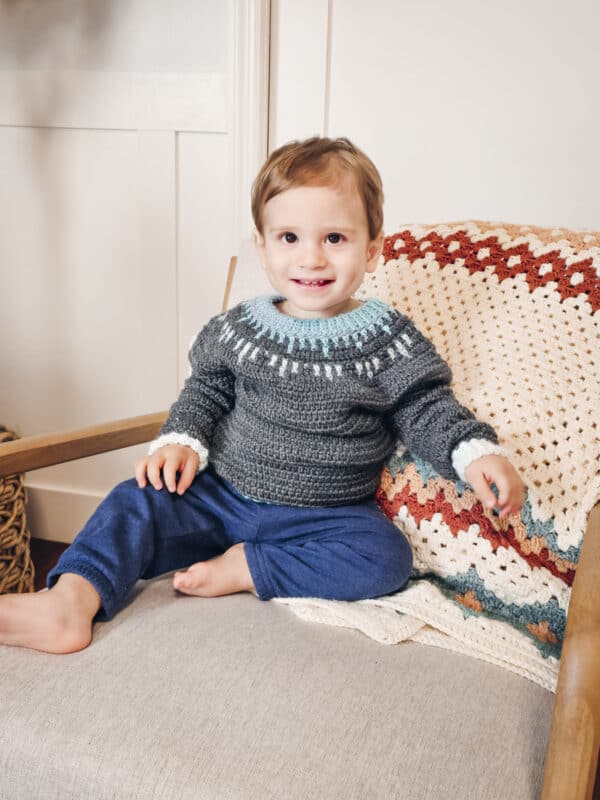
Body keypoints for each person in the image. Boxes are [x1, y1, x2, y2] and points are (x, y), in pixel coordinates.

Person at [0, 136, 525, 654]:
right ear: (263, 246)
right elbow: (204, 389)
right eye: (290, 238)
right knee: (133, 502)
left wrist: (473, 453)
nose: (312, 258)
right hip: (219, 496)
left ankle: (249, 566)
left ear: (372, 248)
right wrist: (182, 439)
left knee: (384, 556)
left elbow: (426, 406)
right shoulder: (239, 328)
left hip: (325, 516)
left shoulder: (388, 338)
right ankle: (70, 601)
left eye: (335, 239)